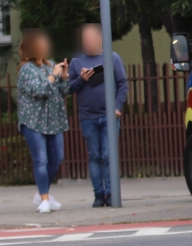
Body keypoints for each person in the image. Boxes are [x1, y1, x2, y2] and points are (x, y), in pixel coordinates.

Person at [68, 23, 128, 207]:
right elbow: (68, 89)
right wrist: (81, 79)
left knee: (108, 155)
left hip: (109, 116)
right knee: (95, 156)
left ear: (100, 39)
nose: (88, 42)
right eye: (85, 39)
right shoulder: (76, 62)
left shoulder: (112, 58)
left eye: (91, 38)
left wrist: (118, 107)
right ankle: (98, 195)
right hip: (88, 117)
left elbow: (122, 84)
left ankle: (110, 194)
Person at [16, 29, 69, 214]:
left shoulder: (50, 65)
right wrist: (53, 76)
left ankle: (42, 193)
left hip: (54, 121)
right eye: (42, 44)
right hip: (33, 122)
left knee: (57, 158)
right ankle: (45, 198)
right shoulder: (26, 70)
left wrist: (63, 77)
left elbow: (62, 92)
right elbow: (40, 91)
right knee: (41, 159)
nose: (46, 46)